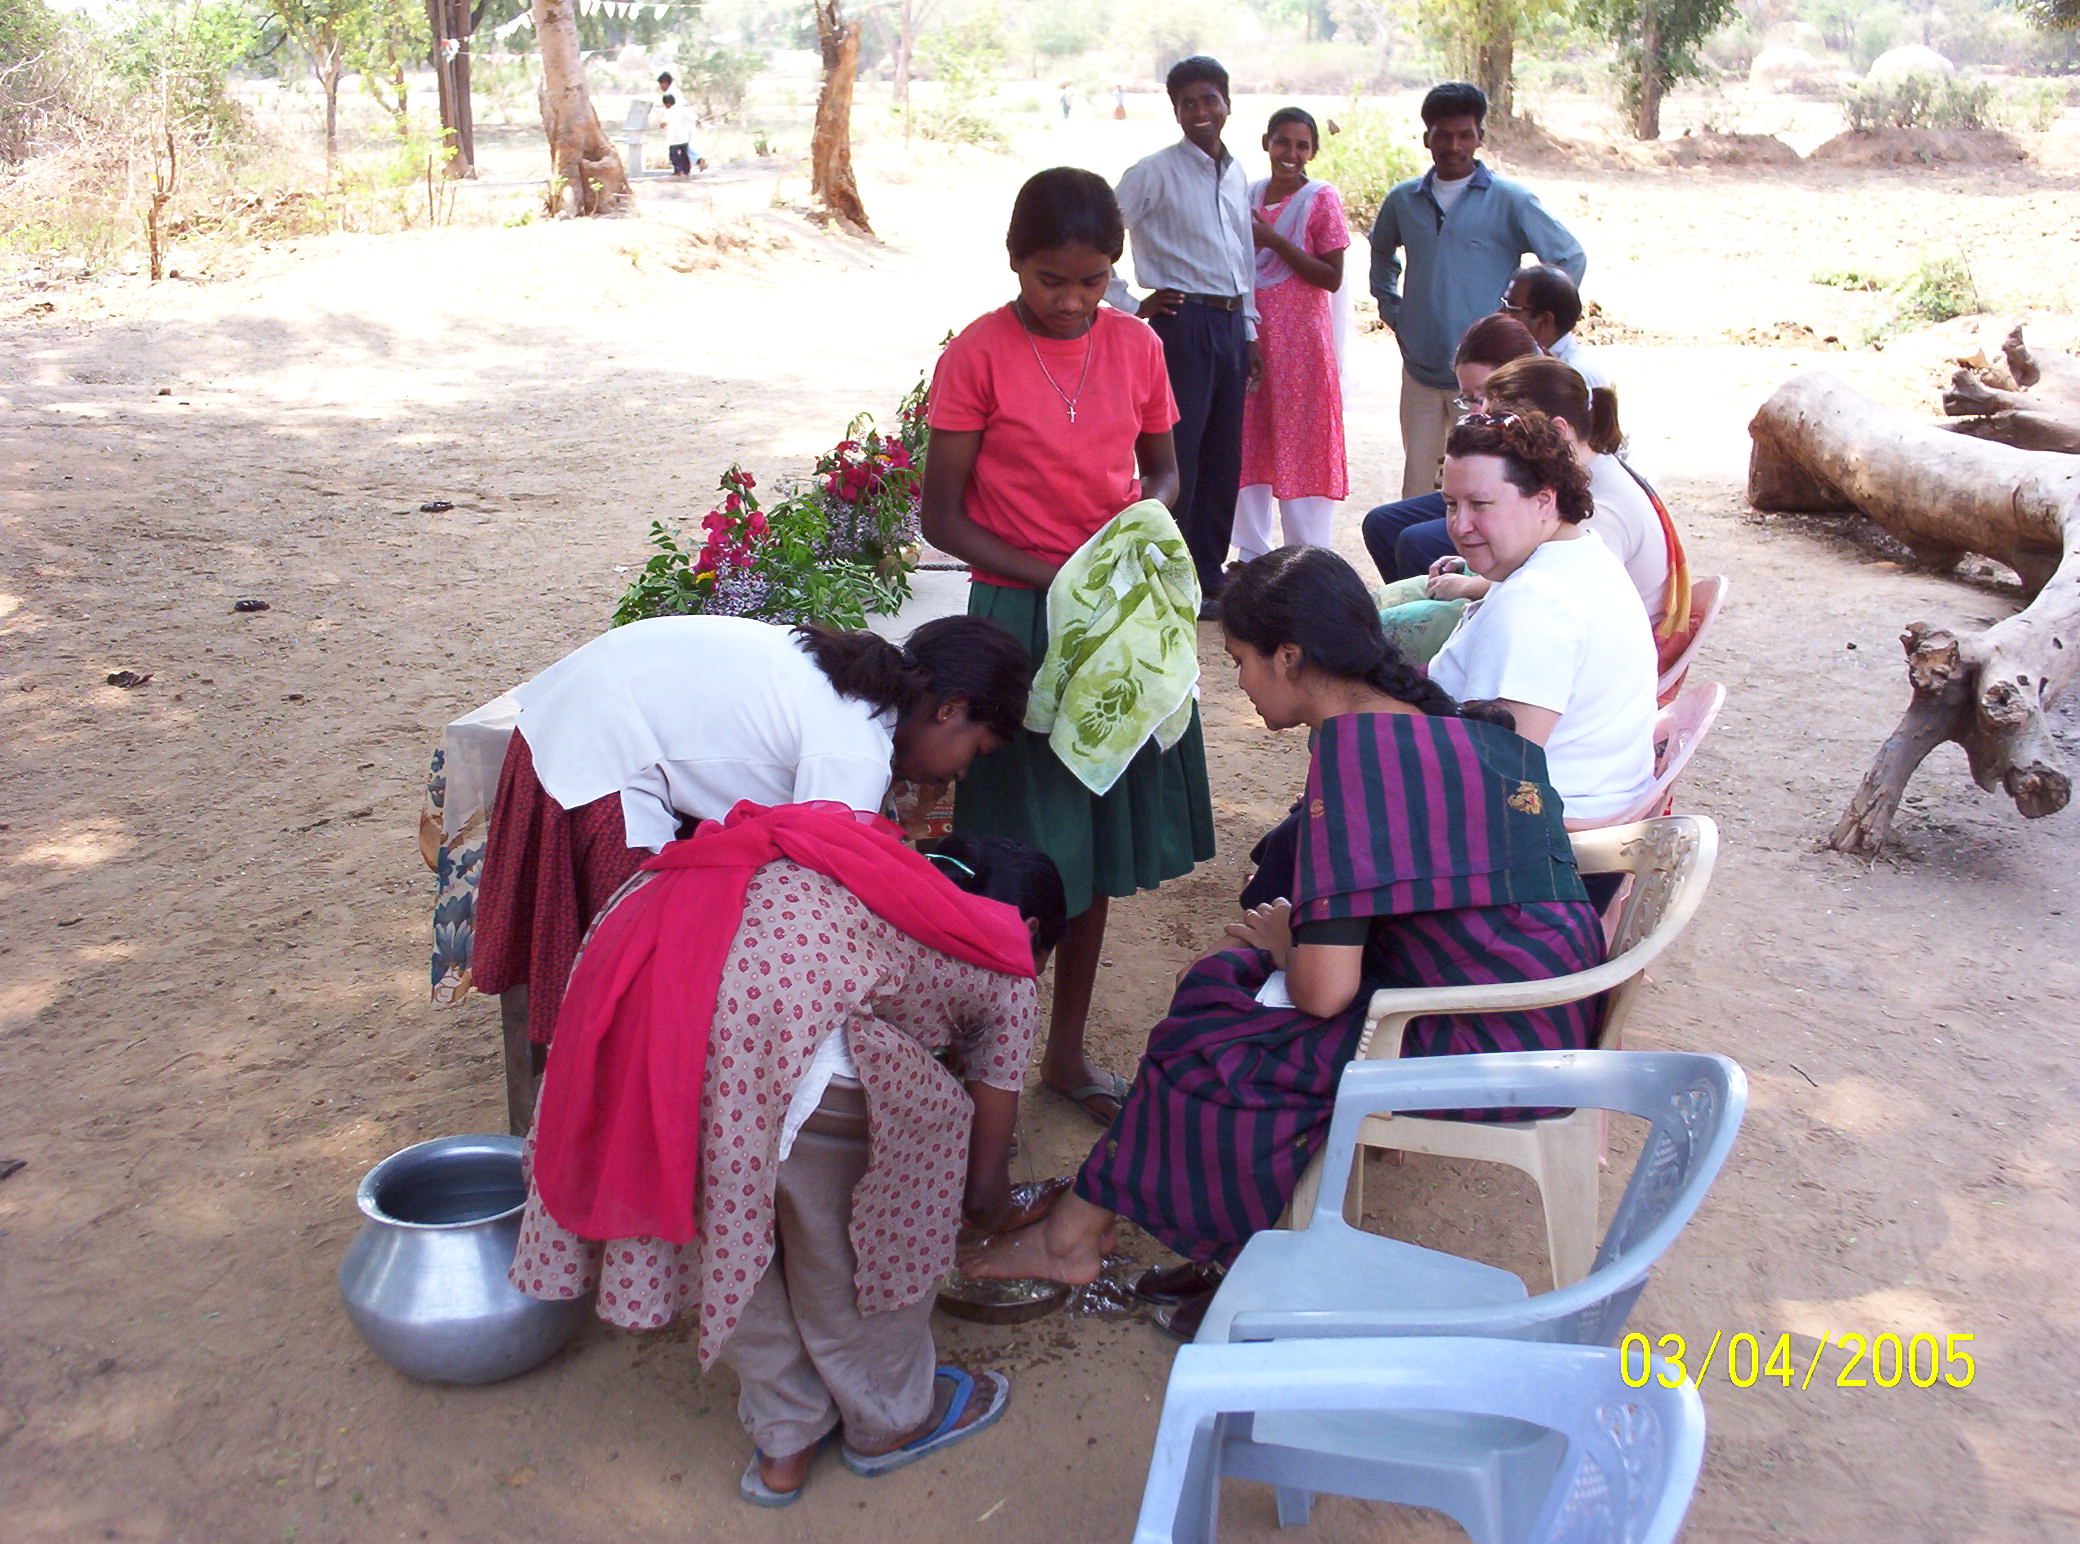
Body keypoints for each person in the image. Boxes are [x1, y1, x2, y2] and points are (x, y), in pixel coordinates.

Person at [958, 546, 1606, 1333]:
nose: (1238, 684)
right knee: (1216, 988)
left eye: (1240, 661)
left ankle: (1102, 1239)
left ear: (1290, 656)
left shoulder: (1357, 762)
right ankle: (1192, 1245)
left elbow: (1323, 990)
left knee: (1224, 1045)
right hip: (1537, 996)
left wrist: (1285, 943)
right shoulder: (1435, 718)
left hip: (1489, 1034)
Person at [509, 803, 1068, 1505]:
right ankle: (887, 1419)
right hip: (773, 1027)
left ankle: (786, 1438)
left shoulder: (873, 873)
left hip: (647, 985)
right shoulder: (1009, 963)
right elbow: (981, 1194)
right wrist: (1005, 1214)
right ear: (1036, 934)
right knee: (866, 1227)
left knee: (724, 1224)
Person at [923, 167, 1215, 1126]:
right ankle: (977, 1051)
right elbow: (943, 515)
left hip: (1116, 624)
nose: (1075, 300)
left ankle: (1063, 1051)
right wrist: (1054, 577)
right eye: (1054, 280)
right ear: (1016, 263)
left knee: (1086, 846)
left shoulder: (1137, 345)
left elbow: (1168, 474)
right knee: (1012, 853)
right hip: (1017, 620)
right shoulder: (976, 353)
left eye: (1094, 281)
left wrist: (1131, 534)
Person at [472, 614, 1030, 1045]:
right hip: (592, 751)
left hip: (591, 708)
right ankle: (598, 1087)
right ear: (949, 709)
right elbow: (823, 899)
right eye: (974, 752)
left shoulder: (857, 681)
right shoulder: (852, 745)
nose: (959, 772)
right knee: (635, 964)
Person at [1427, 411, 1658, 826]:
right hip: (1595, 801)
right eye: (1450, 504)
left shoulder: (1534, 603)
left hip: (1552, 839)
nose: (1460, 526)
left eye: (1480, 504)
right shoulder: (1582, 552)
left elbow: (1503, 777)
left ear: (1544, 501)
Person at [1370, 82, 1585, 499]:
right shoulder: (1403, 200)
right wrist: (1392, 309)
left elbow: (1568, 257)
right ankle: (1421, 565)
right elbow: (1381, 252)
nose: (1454, 145)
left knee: (1486, 484)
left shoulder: (1511, 200)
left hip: (1491, 377)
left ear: (1480, 137)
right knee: (1419, 488)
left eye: (1465, 134)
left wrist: (1532, 328)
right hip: (1421, 369)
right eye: (1443, 135)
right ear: (1426, 137)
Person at [1108, 56, 1262, 612]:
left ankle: (1207, 575)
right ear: (1175, 111)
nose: (1201, 112)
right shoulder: (1154, 172)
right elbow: (1102, 228)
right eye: (1188, 103)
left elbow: (1242, 254)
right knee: (1181, 455)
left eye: (1210, 100)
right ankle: (1165, 578)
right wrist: (1129, 301)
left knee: (1225, 455)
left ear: (1227, 104)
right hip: (1182, 324)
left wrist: (1249, 327)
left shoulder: (1237, 171)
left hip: (1228, 323)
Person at [1451, 355, 1688, 635]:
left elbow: (1561, 601)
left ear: (1558, 430)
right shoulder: (1595, 469)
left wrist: (1469, 586)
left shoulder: (1599, 514)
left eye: (1503, 427)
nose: (1489, 439)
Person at [1233, 107, 1350, 563]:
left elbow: (1331, 276)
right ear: (1266, 143)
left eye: (1302, 146)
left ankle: (1305, 555)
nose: (1291, 154)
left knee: (1301, 442)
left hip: (1302, 346)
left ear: (1314, 152)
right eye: (1282, 142)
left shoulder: (1321, 199)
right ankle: (1251, 553)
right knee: (1251, 442)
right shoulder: (1247, 195)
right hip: (1253, 339)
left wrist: (1275, 240)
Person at [1360, 312, 1541, 585]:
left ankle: (1438, 611)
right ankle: (1419, 605)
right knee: (1381, 523)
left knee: (1415, 542)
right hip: (1487, 492)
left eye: (1484, 397)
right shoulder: (1499, 416)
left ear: (1520, 379)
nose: (1475, 411)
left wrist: (1473, 584)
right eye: (1467, 399)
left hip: (1517, 504)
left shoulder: (1552, 409)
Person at [1501, 263, 1607, 389]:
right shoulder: (1537, 362)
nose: (1501, 313)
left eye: (1511, 308)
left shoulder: (1570, 376)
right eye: (1504, 304)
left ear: (1545, 320)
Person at [659, 93, 705, 177]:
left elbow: (663, 123)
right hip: (684, 137)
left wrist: (662, 125)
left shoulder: (668, 112)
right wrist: (698, 121)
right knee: (685, 155)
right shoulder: (683, 109)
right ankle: (686, 171)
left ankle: (678, 171)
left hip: (673, 139)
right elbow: (694, 117)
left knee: (674, 156)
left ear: (667, 103)